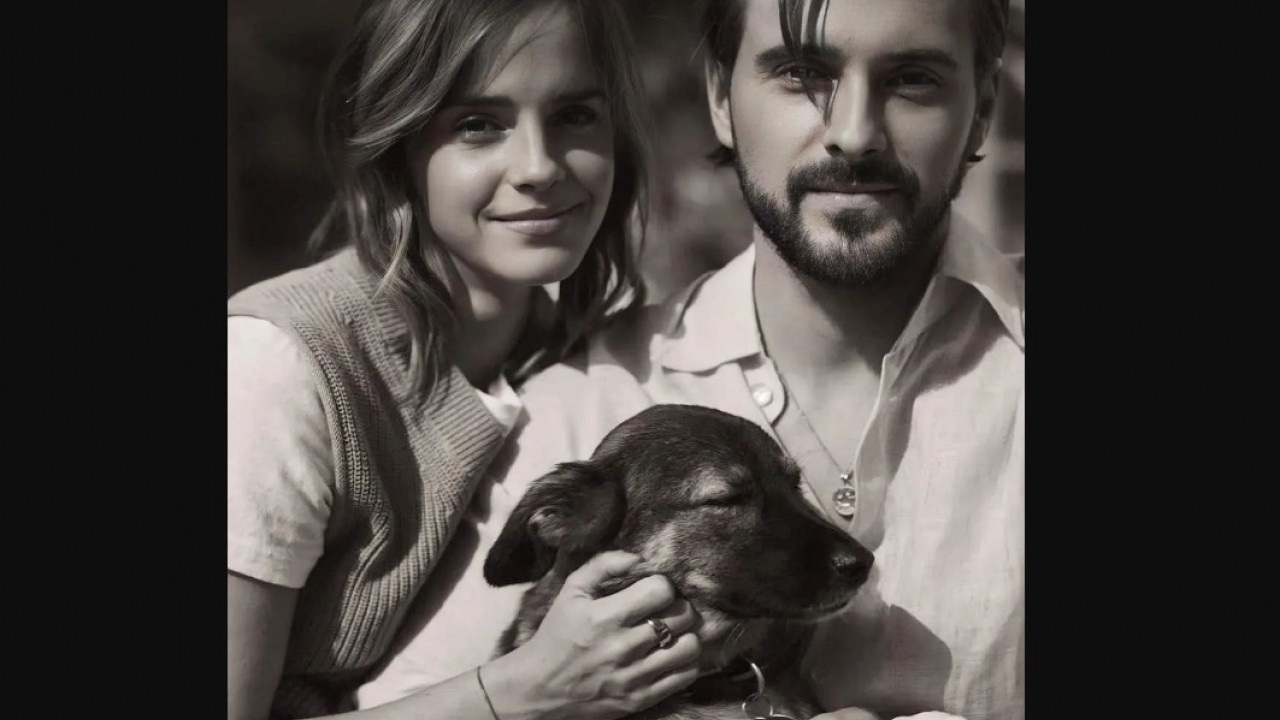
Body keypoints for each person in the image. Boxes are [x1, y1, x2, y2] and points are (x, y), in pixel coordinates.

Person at [438, 0, 1021, 718]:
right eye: (802, 74)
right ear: (720, 97)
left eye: (912, 79)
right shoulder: (567, 410)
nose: (854, 134)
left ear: (983, 109)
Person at [226, 1, 712, 718]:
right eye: (478, 125)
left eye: (575, 115)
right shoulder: (281, 367)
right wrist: (526, 690)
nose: (539, 166)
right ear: (397, 145)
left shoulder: (582, 361)